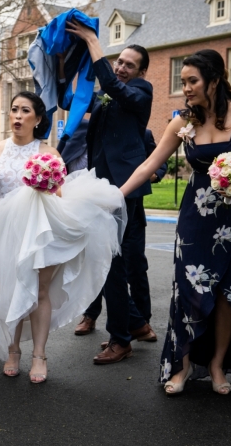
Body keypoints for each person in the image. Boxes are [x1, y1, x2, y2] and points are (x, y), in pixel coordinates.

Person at [119, 49, 231, 395]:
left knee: (229, 294)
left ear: (214, 80)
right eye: (182, 82)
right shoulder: (183, 122)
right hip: (197, 219)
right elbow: (148, 164)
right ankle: (181, 367)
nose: (186, 88)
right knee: (190, 291)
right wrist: (117, 195)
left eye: (192, 81)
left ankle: (216, 365)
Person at [0, 91, 126, 383]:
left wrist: (44, 184)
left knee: (40, 291)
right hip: (2, 228)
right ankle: (13, 350)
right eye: (13, 109)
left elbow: (60, 195)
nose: (17, 115)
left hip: (39, 229)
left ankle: (39, 354)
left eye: (25, 110)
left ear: (38, 119)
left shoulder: (49, 154)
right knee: (6, 288)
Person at [60, 20, 155, 364]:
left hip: (124, 189)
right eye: (120, 61)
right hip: (98, 186)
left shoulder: (141, 92)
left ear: (141, 71)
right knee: (106, 260)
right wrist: (62, 65)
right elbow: (71, 100)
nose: (121, 66)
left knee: (115, 261)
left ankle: (123, 336)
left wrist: (91, 40)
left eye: (130, 64)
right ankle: (131, 326)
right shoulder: (106, 93)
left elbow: (113, 86)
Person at [75, 129, 167, 340]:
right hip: (98, 212)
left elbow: (160, 163)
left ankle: (142, 321)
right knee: (101, 264)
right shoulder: (93, 132)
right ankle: (90, 315)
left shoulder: (142, 134)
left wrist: (151, 174)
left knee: (136, 266)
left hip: (133, 213)